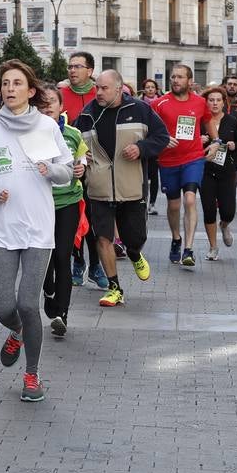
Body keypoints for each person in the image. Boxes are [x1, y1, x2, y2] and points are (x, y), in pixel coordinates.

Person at [0, 60, 73, 402]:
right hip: (1, 228)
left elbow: (67, 172)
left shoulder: (46, 127)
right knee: (3, 307)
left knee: (28, 303)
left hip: (38, 228)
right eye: (5, 83)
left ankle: (32, 375)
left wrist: (51, 170)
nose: (10, 88)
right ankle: (17, 331)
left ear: (30, 90)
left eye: (17, 83)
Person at [75, 70, 169, 307]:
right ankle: (115, 288)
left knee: (134, 238)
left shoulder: (139, 110)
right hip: (99, 188)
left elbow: (161, 137)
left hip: (132, 187)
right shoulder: (87, 115)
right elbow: (73, 145)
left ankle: (135, 253)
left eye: (104, 88)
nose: (98, 93)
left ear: (119, 89)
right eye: (97, 88)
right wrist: (80, 160)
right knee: (103, 238)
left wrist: (141, 148)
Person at [34, 82, 88, 338]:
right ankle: (48, 290)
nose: (47, 108)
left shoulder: (73, 134)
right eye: (42, 104)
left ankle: (61, 314)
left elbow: (82, 160)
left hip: (67, 202)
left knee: (63, 255)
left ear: (61, 107)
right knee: (45, 256)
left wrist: (81, 168)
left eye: (51, 103)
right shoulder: (30, 133)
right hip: (39, 204)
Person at [152, 64, 209, 269]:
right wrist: (163, 139)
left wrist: (216, 141)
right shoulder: (159, 104)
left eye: (180, 77)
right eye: (173, 77)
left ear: (189, 81)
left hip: (193, 157)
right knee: (174, 205)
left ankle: (189, 248)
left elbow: (209, 124)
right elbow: (148, 129)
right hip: (168, 161)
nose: (175, 80)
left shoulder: (200, 102)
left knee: (190, 199)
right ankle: (176, 238)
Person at [59, 52, 106, 290]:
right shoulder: (61, 94)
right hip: (68, 168)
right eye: (70, 66)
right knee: (75, 217)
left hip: (97, 166)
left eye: (78, 66)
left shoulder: (99, 94)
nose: (72, 70)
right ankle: (78, 261)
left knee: (95, 220)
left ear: (90, 70)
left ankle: (96, 265)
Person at [200, 85, 237, 260]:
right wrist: (199, 140)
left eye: (218, 100)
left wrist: (235, 146)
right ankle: (213, 247)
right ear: (206, 102)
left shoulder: (232, 122)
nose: (215, 103)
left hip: (226, 172)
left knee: (228, 211)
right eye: (211, 100)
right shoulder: (201, 122)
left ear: (224, 102)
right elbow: (188, 144)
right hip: (205, 171)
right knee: (209, 210)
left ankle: (224, 225)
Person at [140, 78, 162, 215]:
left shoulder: (161, 103)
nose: (149, 89)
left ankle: (152, 203)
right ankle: (142, 201)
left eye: (152, 87)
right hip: (142, 143)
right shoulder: (138, 103)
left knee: (154, 176)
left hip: (155, 144)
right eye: (147, 87)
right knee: (141, 176)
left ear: (156, 89)